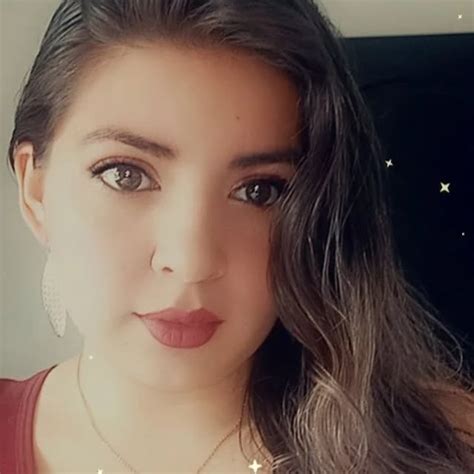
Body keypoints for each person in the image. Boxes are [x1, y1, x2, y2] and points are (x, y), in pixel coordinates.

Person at [1, 0, 473, 472]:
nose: (192, 261)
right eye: (126, 175)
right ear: (35, 190)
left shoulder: (444, 447)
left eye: (259, 190)